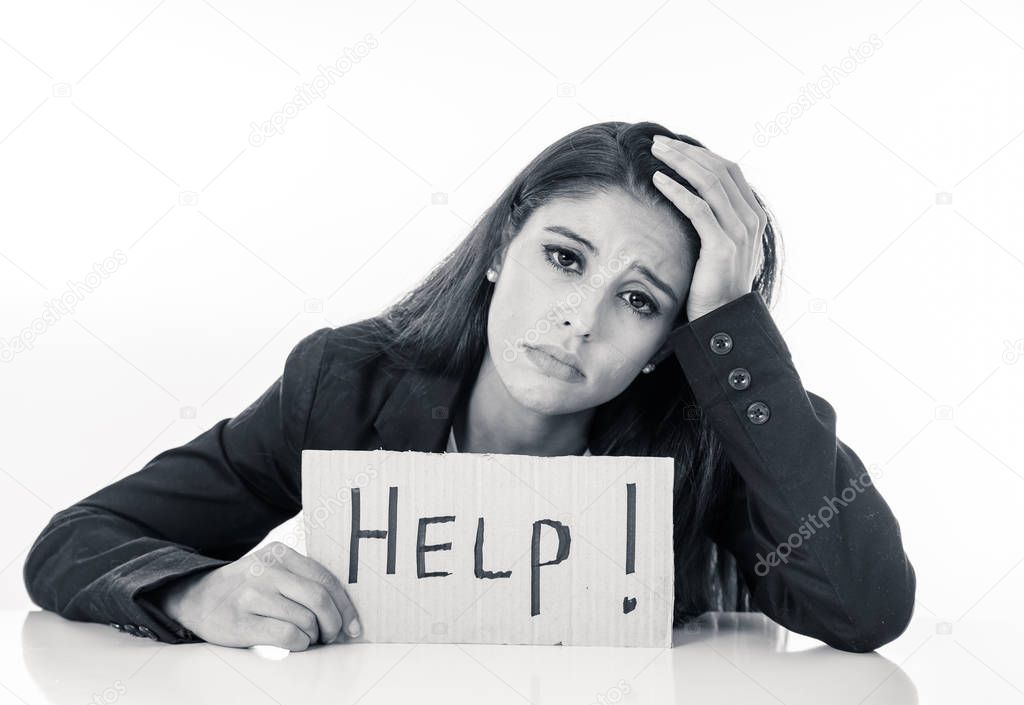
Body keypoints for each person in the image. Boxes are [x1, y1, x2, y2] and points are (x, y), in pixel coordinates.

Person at [22, 121, 916, 653]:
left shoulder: (713, 432)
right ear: (501, 250)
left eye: (638, 301)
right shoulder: (347, 384)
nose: (580, 320)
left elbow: (865, 605)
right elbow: (78, 538)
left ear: (664, 344)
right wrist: (191, 594)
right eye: (565, 260)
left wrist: (728, 330)